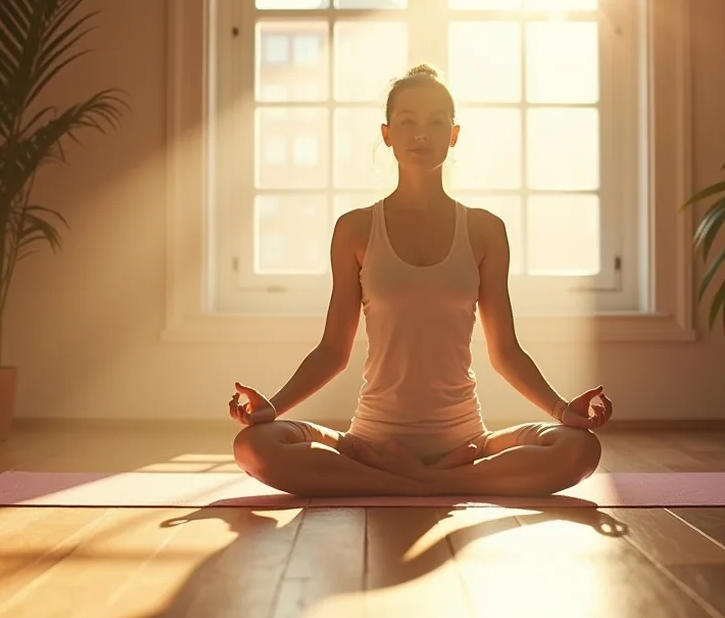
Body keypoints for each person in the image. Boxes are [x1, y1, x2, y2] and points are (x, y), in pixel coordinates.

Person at [231, 64, 613, 498]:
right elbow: (333, 351)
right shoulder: (355, 229)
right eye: (407, 121)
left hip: (465, 440)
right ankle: (440, 484)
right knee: (253, 445)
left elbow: (505, 351)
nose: (420, 134)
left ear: (453, 135)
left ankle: (405, 482)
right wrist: (274, 408)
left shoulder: (485, 230)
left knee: (578, 447)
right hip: (370, 440)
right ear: (387, 133)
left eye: (435, 122)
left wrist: (564, 411)